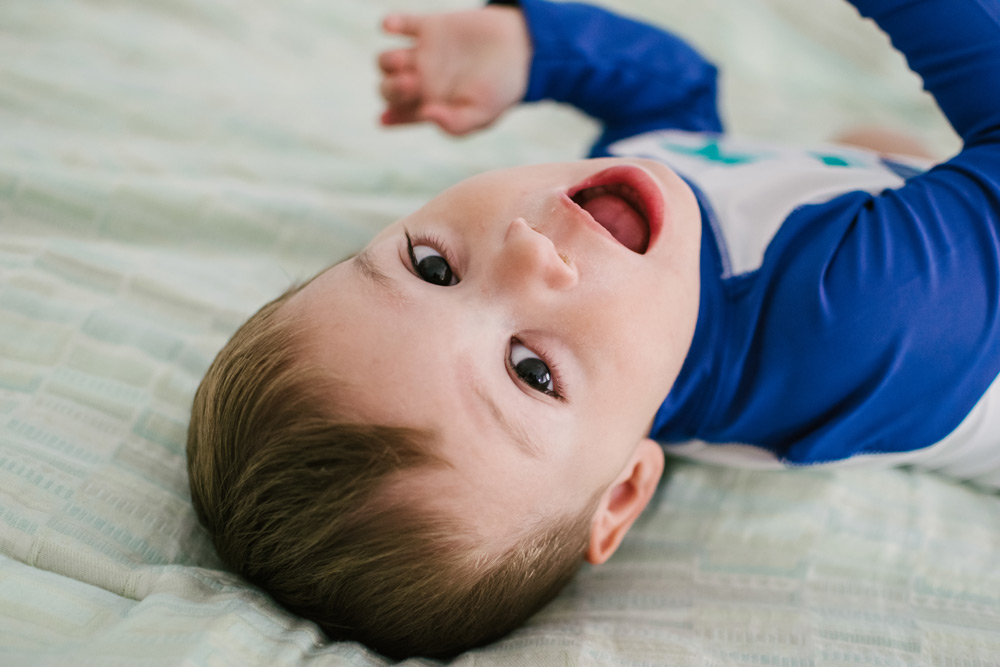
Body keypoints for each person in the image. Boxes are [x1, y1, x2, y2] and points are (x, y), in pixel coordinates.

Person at [185, 0, 1000, 659]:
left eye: (432, 267)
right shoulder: (849, 319)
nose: (525, 253)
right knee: (882, 152)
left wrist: (534, 49)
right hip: (966, 328)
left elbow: (677, 112)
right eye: (531, 371)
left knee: (869, 150)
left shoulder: (629, 254)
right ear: (622, 490)